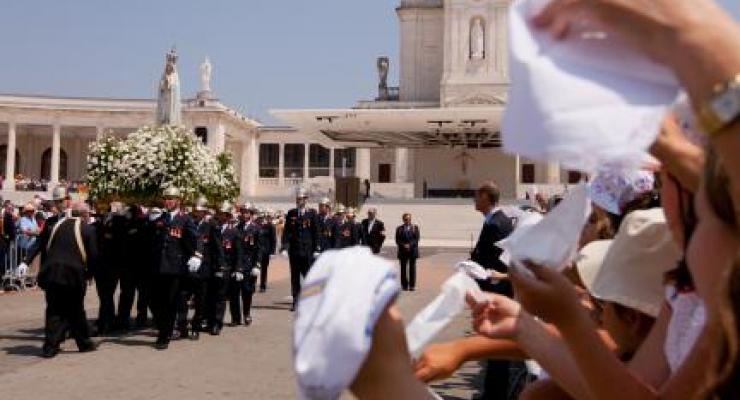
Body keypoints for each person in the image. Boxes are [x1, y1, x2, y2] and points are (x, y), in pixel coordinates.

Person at [37, 201, 98, 358]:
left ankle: (50, 346)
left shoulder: (55, 226)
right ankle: (84, 343)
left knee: (53, 310)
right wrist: (90, 274)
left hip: (52, 273)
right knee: (76, 309)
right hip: (73, 275)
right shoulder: (87, 229)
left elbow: (44, 248)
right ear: (84, 214)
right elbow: (94, 256)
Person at [150, 187, 198, 350]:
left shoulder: (185, 219)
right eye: (166, 198)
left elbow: (195, 239)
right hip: (158, 266)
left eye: (171, 198)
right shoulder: (160, 218)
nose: (168, 201)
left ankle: (164, 335)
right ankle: (164, 328)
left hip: (175, 267)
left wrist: (196, 255)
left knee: (169, 303)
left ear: (178, 200)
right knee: (155, 301)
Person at [177, 196, 221, 339]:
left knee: (200, 300)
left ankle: (195, 326)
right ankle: (182, 326)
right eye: (196, 210)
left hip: (204, 268)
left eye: (200, 211)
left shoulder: (211, 226)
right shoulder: (188, 223)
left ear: (205, 212)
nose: (198, 213)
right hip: (187, 267)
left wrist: (220, 267)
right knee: (182, 298)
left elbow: (217, 248)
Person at [281, 188, 319, 311]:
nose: (299, 201)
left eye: (302, 198)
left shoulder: (312, 213)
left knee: (308, 276)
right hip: (295, 250)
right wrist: (284, 247)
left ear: (306, 200)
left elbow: (316, 232)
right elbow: (287, 232)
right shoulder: (291, 213)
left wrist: (316, 248)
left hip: (307, 250)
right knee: (295, 277)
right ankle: (296, 301)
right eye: (298, 199)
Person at [206, 201, 239, 335]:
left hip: (225, 267)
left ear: (228, 216)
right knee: (209, 295)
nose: (220, 216)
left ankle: (217, 323)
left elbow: (238, 252)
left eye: (224, 214)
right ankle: (209, 320)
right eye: (219, 213)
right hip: (210, 266)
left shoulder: (234, 232)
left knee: (220, 296)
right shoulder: (212, 227)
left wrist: (238, 269)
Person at [231, 204, 261, 326]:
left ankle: (247, 314)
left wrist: (257, 265)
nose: (244, 215)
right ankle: (235, 317)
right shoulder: (236, 228)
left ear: (251, 214)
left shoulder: (256, 229)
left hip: (249, 263)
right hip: (236, 263)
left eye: (247, 212)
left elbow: (258, 248)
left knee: (247, 291)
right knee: (234, 292)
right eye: (243, 212)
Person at [395, 213, 420, 291]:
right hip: (402, 251)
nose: (407, 221)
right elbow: (397, 240)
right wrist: (404, 245)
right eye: (405, 219)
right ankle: (404, 285)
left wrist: (410, 245)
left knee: (412, 269)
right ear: (403, 220)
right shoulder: (399, 228)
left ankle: (412, 285)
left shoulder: (415, 227)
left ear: (411, 219)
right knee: (403, 269)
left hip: (412, 251)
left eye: (409, 219)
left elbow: (417, 239)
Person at [257, 209, 277, 292]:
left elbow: (273, 239)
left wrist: (272, 251)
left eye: (262, 217)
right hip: (257, 251)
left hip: (266, 251)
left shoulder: (270, 226)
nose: (261, 219)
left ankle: (263, 285)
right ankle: (253, 285)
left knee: (264, 269)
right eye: (260, 217)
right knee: (255, 267)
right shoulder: (256, 226)